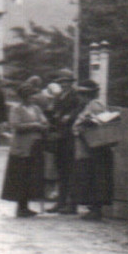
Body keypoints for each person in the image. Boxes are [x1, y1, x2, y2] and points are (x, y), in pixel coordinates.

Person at [0, 77, 48, 217]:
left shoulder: (36, 108)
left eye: (33, 95)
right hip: (21, 148)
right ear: (24, 97)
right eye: (30, 96)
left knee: (32, 176)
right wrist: (35, 125)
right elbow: (15, 125)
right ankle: (21, 206)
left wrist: (42, 125)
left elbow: (45, 122)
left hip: (34, 147)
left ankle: (26, 205)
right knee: (21, 177)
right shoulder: (16, 109)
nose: (33, 98)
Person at [71, 79, 116, 220]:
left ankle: (96, 210)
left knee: (95, 177)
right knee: (92, 177)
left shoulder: (94, 105)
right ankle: (93, 208)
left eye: (81, 94)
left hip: (94, 148)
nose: (79, 97)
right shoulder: (92, 105)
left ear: (86, 94)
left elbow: (96, 124)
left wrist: (81, 127)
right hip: (92, 147)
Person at [46, 79, 83, 214]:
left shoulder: (76, 96)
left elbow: (79, 110)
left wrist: (69, 116)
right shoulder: (58, 97)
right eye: (61, 83)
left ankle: (72, 204)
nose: (63, 85)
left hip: (70, 137)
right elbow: (53, 112)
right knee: (60, 170)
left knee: (71, 171)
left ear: (71, 83)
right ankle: (60, 202)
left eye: (66, 82)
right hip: (59, 136)